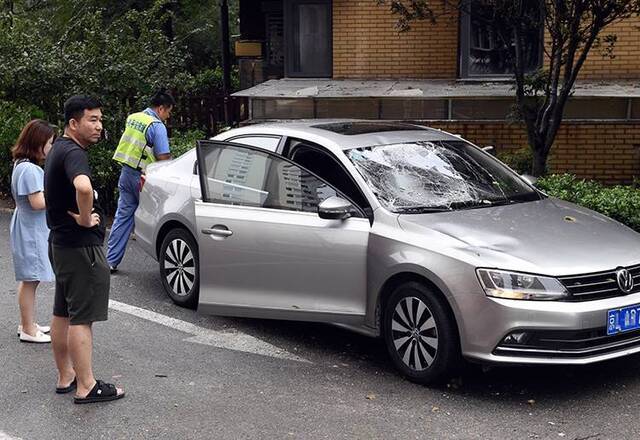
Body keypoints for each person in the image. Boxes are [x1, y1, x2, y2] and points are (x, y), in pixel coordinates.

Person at [44, 95, 124, 403]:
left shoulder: (57, 150)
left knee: (62, 311)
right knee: (82, 318)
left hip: (60, 244)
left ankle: (66, 375)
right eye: (92, 120)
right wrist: (85, 219)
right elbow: (83, 187)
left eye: (100, 119)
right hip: (79, 248)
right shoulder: (74, 153)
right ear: (73, 123)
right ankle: (86, 385)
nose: (99, 126)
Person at [107, 89, 175, 273]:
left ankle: (110, 261)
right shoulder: (156, 125)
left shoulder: (133, 118)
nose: (167, 117)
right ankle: (170, 265)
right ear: (161, 108)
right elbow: (163, 157)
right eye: (168, 112)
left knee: (123, 216)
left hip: (126, 173)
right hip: (144, 179)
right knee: (159, 217)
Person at [10, 120, 56, 343]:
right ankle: (28, 328)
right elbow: (38, 202)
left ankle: (27, 323)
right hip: (31, 229)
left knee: (30, 278)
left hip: (26, 225)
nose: (50, 148)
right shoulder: (30, 169)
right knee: (31, 279)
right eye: (49, 143)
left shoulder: (21, 164)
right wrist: (61, 196)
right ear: (38, 143)